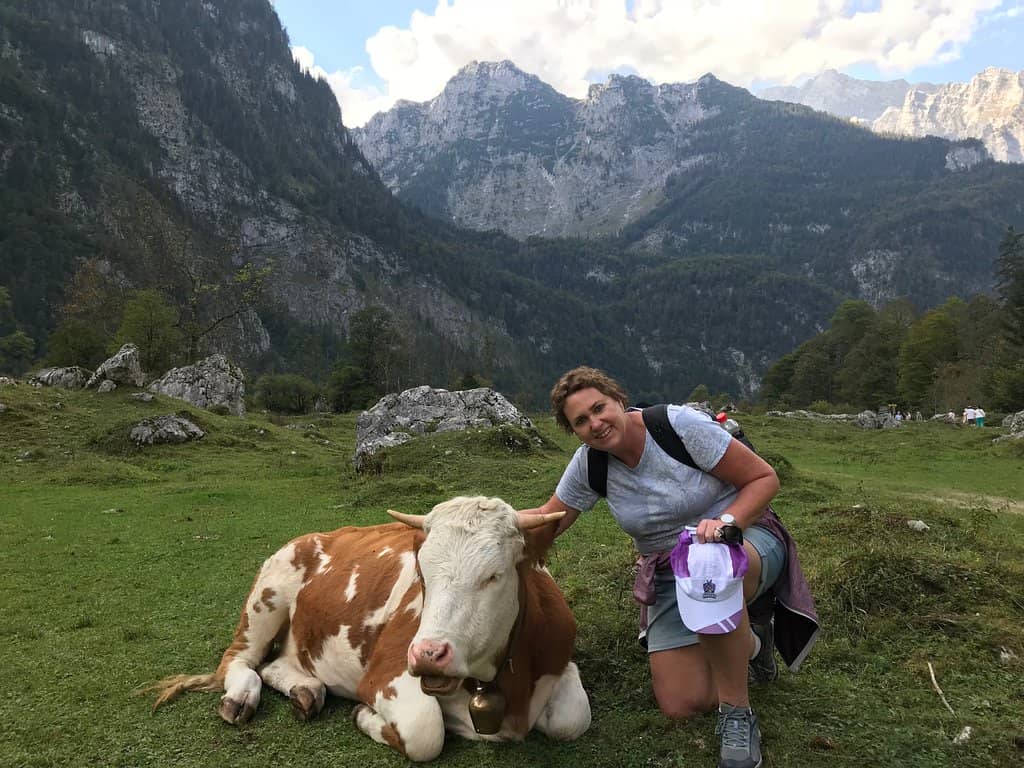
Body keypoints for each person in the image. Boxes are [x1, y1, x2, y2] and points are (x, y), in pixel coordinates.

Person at [521, 367, 819, 768]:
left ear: (619, 400)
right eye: (581, 421)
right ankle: (753, 641)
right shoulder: (590, 465)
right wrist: (477, 524)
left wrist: (727, 524)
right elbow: (548, 518)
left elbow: (764, 478)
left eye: (599, 408)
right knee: (682, 703)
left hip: (742, 542)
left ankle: (737, 715)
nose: (595, 423)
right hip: (668, 570)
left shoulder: (675, 426)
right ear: (574, 431)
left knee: (709, 575)